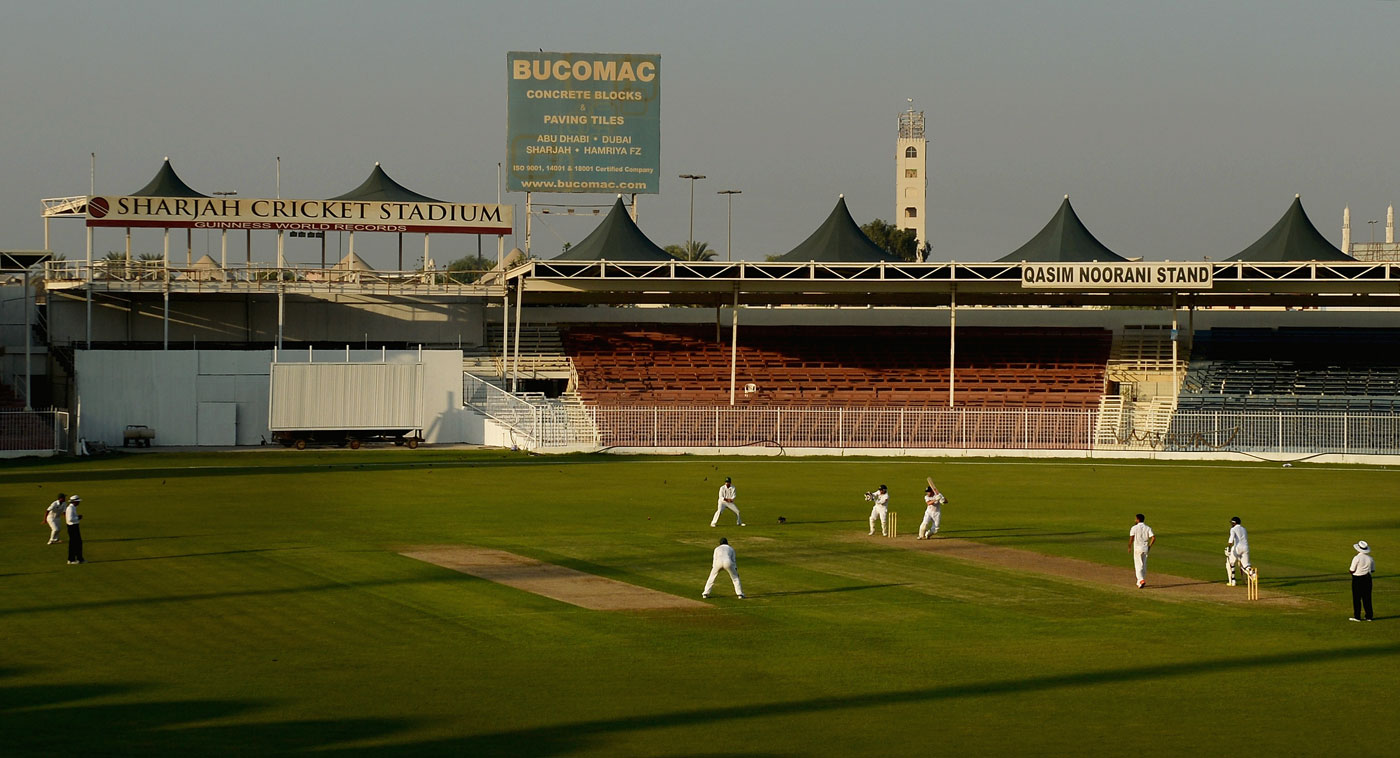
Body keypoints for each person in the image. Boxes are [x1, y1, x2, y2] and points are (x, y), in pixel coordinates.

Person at [1349, 541, 1374, 622]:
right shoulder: (1370, 558)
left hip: (1358, 579)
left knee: (1357, 598)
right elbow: (1372, 570)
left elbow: (1352, 570)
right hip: (1368, 579)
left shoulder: (1357, 558)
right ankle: (1369, 616)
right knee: (1367, 598)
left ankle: (1357, 616)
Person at [1128, 513, 1154, 588]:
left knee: (1138, 566)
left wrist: (1129, 546)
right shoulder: (1148, 528)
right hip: (1145, 548)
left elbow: (1131, 538)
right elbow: (1153, 538)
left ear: (1138, 519)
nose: (1135, 520)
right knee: (1144, 565)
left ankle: (1141, 580)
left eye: (1135, 519)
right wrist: (1149, 546)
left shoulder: (1134, 528)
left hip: (1137, 549)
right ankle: (1139, 583)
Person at [1225, 516, 1252, 586]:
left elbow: (1231, 539)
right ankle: (1253, 574)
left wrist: (1228, 548)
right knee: (1246, 565)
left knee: (1230, 563)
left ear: (1234, 523)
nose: (1231, 524)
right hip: (1245, 548)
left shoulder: (1233, 529)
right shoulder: (1244, 529)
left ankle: (1233, 581)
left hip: (1237, 548)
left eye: (1232, 523)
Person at [65, 494, 85, 565]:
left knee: (78, 543)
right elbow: (70, 519)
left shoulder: (73, 507)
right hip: (72, 527)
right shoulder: (70, 508)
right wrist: (78, 518)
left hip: (74, 526)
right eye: (78, 501)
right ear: (74, 502)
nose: (79, 503)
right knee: (74, 544)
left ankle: (80, 558)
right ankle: (71, 559)